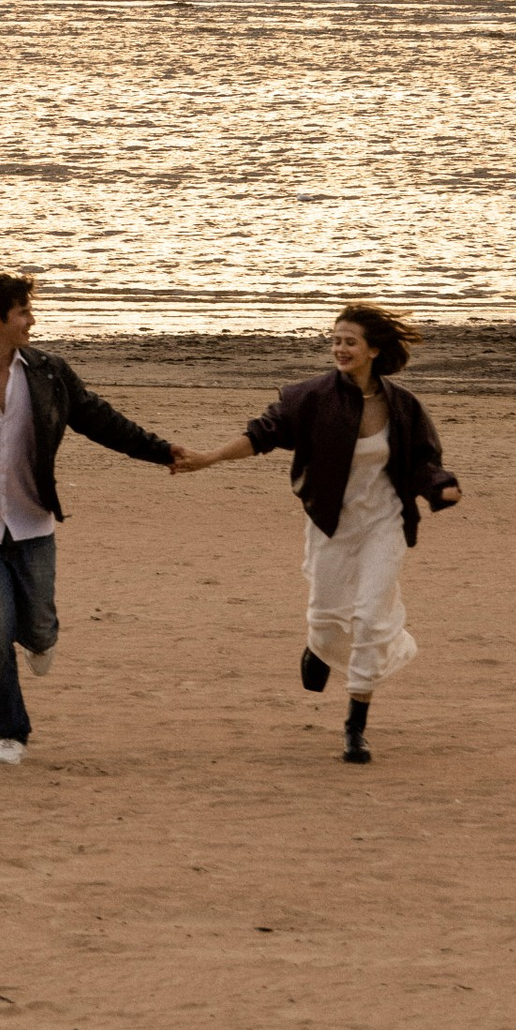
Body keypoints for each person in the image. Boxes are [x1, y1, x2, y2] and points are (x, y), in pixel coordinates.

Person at [0, 272, 212, 766]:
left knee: (41, 630)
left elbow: (100, 419)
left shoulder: (48, 373)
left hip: (33, 525)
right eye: (23, 312)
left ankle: (40, 640)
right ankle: (11, 732)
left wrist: (160, 452)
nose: (32, 320)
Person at [192, 303, 460, 765]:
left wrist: (440, 486)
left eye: (350, 341)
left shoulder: (403, 406)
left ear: (374, 350)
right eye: (335, 340)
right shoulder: (310, 397)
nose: (340, 348)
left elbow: (422, 461)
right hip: (331, 523)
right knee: (327, 619)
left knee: (372, 619)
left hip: (385, 523)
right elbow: (262, 434)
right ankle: (318, 646)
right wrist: (209, 457)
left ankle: (356, 726)